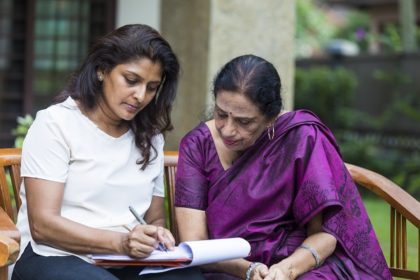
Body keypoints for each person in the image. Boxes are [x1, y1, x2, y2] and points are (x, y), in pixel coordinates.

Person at [12, 24, 204, 280]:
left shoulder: (150, 137)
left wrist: (156, 235)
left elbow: (154, 219)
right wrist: (121, 242)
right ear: (102, 70)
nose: (140, 96)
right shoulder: (56, 124)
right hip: (53, 255)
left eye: (151, 87)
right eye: (132, 80)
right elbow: (43, 226)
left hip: (125, 260)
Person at [175, 54, 392, 280]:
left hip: (300, 264)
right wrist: (247, 270)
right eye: (221, 114)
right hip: (225, 269)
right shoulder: (197, 145)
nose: (227, 129)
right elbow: (195, 244)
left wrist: (286, 269)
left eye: (244, 121)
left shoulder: (301, 137)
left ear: (271, 118)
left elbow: (325, 235)